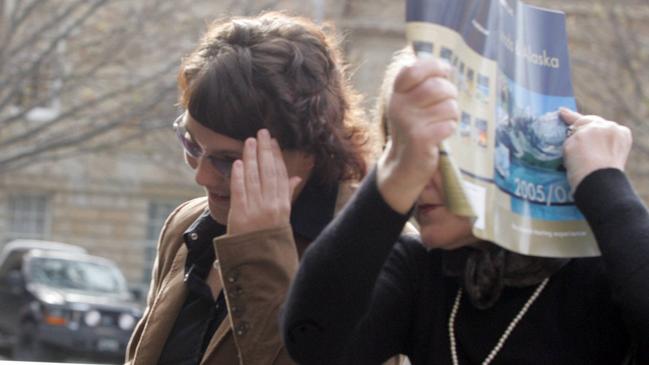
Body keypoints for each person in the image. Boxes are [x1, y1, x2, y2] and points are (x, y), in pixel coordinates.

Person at [281, 52, 649, 364]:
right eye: (404, 150)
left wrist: (604, 183)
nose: (419, 175)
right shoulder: (420, 268)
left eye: (440, 151)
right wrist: (389, 182)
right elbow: (311, 341)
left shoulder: (595, 270)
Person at [125, 12, 375, 365]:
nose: (203, 177)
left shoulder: (369, 246)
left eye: (230, 160)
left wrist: (259, 251)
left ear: (309, 150)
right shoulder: (189, 224)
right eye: (192, 145)